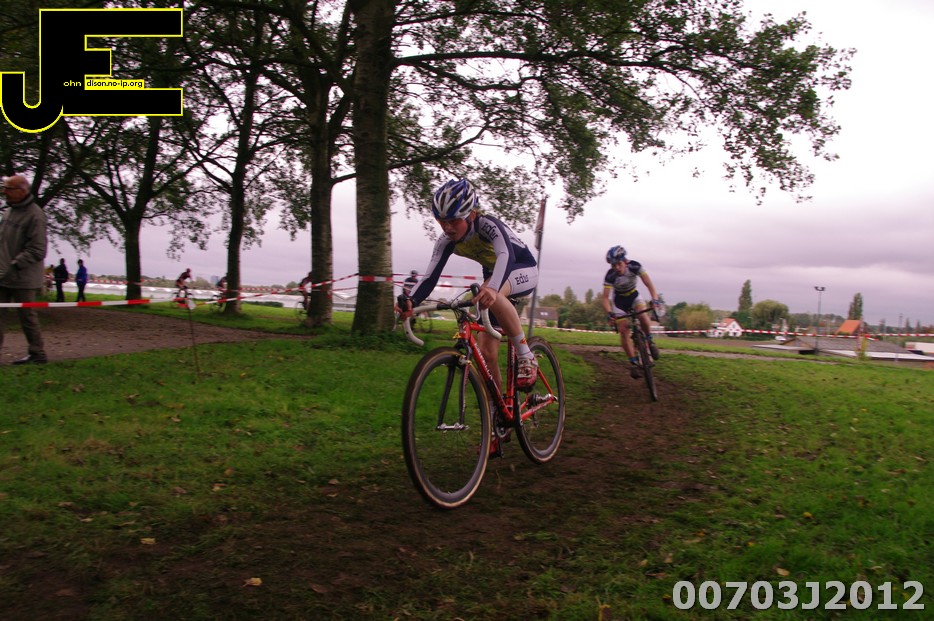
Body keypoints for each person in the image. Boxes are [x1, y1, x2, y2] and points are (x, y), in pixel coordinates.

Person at [395, 178, 539, 390]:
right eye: (441, 221)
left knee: (490, 292)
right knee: (486, 353)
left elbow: (505, 255)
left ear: (471, 214)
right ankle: (496, 407)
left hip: (521, 267)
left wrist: (492, 288)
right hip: (493, 276)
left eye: (454, 221)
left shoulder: (487, 225)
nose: (448, 228)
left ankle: (526, 356)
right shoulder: (445, 241)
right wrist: (411, 300)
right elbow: (430, 277)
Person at [0, 174, 49, 364]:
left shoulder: (36, 215)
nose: (4, 192)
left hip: (24, 278)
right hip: (3, 275)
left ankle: (38, 354)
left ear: (22, 191)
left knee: (27, 317)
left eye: (8, 189)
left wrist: (15, 265)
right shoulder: (8, 212)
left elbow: (38, 249)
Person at [601, 245, 662, 379]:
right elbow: (605, 298)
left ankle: (649, 340)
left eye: (619, 264)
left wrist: (655, 299)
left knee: (642, 315)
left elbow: (649, 284)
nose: (617, 268)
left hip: (634, 297)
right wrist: (609, 313)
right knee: (623, 330)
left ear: (624, 260)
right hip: (619, 302)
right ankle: (633, 362)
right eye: (613, 265)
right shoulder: (610, 275)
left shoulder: (634, 266)